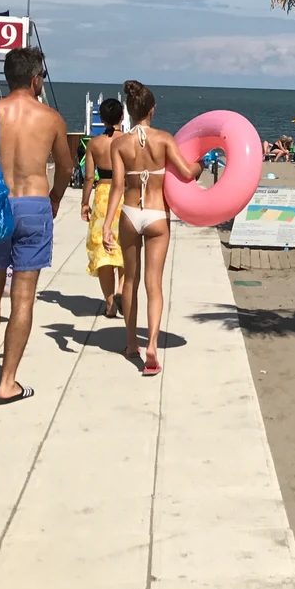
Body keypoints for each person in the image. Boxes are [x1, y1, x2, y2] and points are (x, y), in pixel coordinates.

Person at [0, 46, 73, 406]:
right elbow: (67, 168)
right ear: (36, 79)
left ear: (7, 77)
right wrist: (54, 198)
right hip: (35, 205)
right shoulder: (51, 118)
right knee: (23, 297)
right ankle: (8, 382)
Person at [103, 80, 202, 378]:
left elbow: (117, 187)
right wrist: (198, 166)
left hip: (130, 215)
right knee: (153, 283)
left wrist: (107, 224)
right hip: (158, 215)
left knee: (130, 281)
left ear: (130, 112)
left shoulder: (119, 144)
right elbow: (186, 172)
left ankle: (132, 344)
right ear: (152, 110)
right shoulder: (163, 139)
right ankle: (152, 347)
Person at [81, 97, 125, 319]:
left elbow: (89, 177)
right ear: (122, 117)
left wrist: (84, 203)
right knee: (125, 246)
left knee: (103, 250)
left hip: (102, 195)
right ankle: (121, 291)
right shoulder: (129, 140)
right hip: (124, 194)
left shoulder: (94, 144)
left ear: (102, 118)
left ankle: (110, 304)